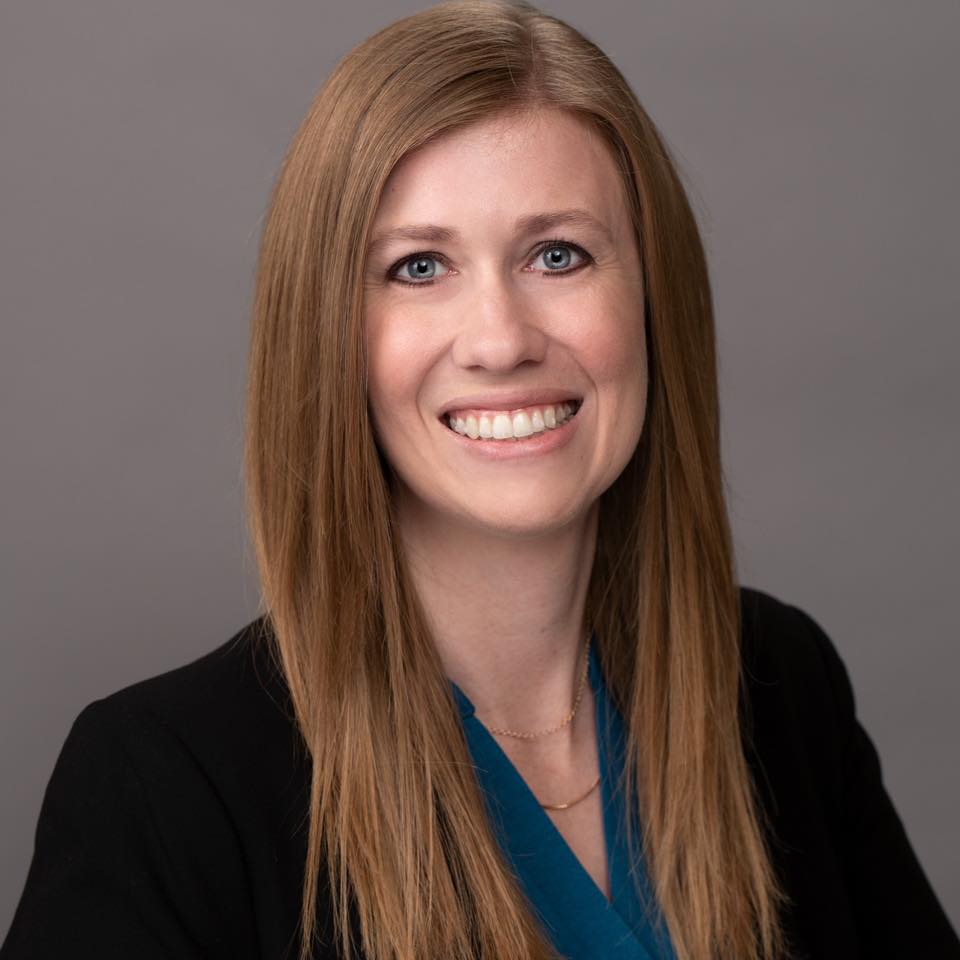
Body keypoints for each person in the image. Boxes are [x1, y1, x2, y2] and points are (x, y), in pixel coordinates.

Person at [2, 1, 958, 958]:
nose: (501, 339)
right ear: (326, 334)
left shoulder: (778, 686)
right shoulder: (164, 791)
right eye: (419, 267)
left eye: (558, 255)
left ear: (655, 298)